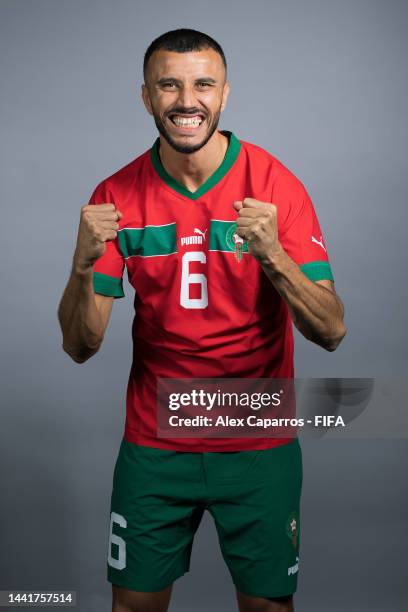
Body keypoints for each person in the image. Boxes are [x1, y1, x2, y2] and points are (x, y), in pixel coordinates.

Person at [58, 28, 346, 612]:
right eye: (169, 84)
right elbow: (80, 345)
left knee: (267, 607)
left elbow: (331, 330)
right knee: (133, 606)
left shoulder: (274, 186)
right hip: (155, 444)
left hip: (258, 442)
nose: (186, 99)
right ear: (146, 97)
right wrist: (82, 264)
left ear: (224, 94)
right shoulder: (116, 195)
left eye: (203, 84)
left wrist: (274, 256)